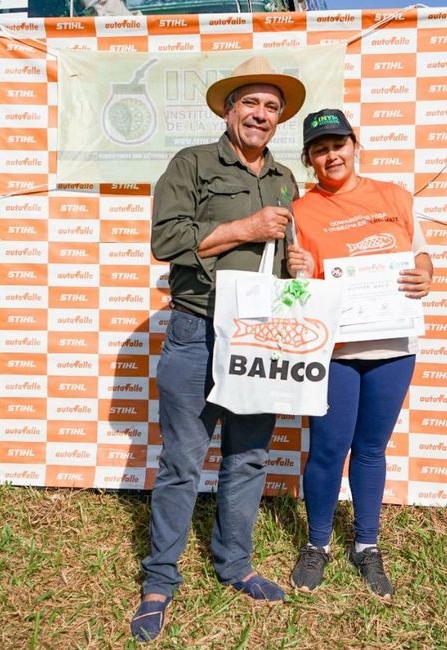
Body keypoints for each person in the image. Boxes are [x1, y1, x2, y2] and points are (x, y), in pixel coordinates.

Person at [129, 56, 306, 642]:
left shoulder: (285, 179)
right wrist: (242, 229)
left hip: (259, 335)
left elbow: (283, 259)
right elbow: (165, 240)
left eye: (271, 107)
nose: (260, 114)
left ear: (279, 120)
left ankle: (235, 565)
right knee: (183, 462)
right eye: (250, 103)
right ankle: (159, 582)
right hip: (197, 330)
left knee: (249, 457)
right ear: (230, 111)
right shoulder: (193, 163)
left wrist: (297, 264)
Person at [284, 108, 433, 599]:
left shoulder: (394, 197)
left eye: (338, 144)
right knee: (328, 448)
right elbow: (296, 286)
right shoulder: (300, 212)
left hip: (393, 345)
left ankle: (366, 544)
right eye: (320, 149)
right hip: (336, 348)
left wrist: (426, 273)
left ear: (355, 144)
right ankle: (317, 544)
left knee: (371, 449)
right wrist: (298, 269)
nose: (331, 155)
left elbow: (421, 253)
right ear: (310, 159)